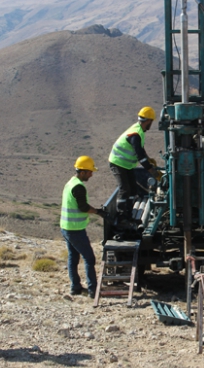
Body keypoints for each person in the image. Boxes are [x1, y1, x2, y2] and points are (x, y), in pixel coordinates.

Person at [60, 156, 105, 297]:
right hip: (75, 229)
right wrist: (99, 212)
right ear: (83, 172)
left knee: (73, 257)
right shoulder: (78, 186)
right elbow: (83, 207)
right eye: (90, 172)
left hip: (66, 226)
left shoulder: (71, 182)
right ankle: (93, 290)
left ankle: (75, 287)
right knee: (89, 258)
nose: (91, 174)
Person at [108, 106, 160, 215]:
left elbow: (140, 149)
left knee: (133, 188)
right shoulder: (135, 134)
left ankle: (129, 209)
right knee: (124, 188)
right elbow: (140, 156)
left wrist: (148, 158)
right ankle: (121, 215)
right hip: (117, 163)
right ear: (149, 121)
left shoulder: (139, 130)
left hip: (126, 165)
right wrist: (152, 171)